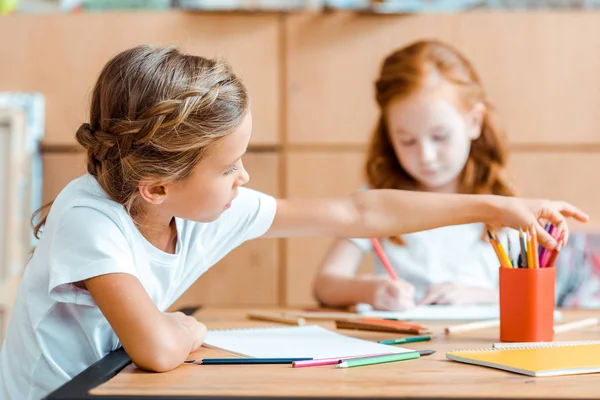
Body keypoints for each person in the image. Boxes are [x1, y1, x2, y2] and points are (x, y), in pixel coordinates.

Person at [0, 44, 587, 399]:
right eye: (231, 167)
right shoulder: (88, 215)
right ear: (157, 188)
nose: (246, 179)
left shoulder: (201, 206)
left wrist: (496, 207)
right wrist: (189, 328)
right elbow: (154, 346)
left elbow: (361, 211)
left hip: (113, 383)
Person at [314, 40, 544, 311]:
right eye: (407, 141)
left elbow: (535, 294)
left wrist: (479, 295)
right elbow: (325, 284)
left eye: (440, 136)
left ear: (474, 122)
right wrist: (370, 290)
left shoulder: (501, 201)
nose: (426, 156)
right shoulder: (378, 198)